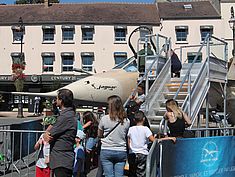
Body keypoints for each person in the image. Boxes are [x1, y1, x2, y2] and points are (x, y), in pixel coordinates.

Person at [43, 88, 77, 177]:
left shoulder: (66, 116)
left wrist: (46, 134)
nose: (55, 101)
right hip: (60, 158)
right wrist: (46, 134)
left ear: (61, 101)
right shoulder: (66, 115)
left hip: (62, 159)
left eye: (57, 98)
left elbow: (50, 133)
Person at [98, 95, 130, 177]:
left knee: (109, 175)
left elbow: (99, 134)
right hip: (121, 149)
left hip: (106, 149)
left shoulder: (104, 119)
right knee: (119, 175)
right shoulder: (126, 121)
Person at [127, 111, 155, 177]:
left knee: (132, 173)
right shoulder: (146, 129)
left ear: (134, 120)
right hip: (142, 153)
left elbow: (129, 141)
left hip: (132, 153)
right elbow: (153, 140)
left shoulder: (130, 129)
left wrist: (130, 149)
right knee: (141, 173)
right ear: (144, 119)